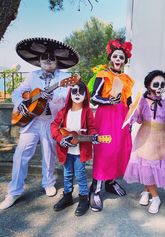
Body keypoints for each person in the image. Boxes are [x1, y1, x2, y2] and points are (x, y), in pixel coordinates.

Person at [0, 37, 80, 210]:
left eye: (52, 57)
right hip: (32, 120)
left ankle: (48, 182)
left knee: (49, 153)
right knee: (20, 155)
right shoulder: (32, 75)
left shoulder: (65, 77)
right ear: (39, 60)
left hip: (51, 121)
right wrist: (20, 103)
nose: (48, 60)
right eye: (45, 57)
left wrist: (54, 97)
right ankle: (13, 192)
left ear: (57, 61)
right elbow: (17, 92)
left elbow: (67, 98)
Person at [89, 38, 134, 211]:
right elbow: (94, 97)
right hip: (105, 117)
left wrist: (129, 120)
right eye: (115, 56)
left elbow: (128, 102)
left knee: (118, 150)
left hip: (121, 118)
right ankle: (96, 189)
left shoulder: (126, 79)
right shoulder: (103, 75)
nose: (118, 60)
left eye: (121, 57)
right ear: (110, 58)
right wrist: (108, 100)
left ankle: (111, 182)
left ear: (124, 61)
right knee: (104, 150)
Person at [124, 70, 165, 214]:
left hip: (159, 140)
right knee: (146, 166)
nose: (159, 87)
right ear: (148, 86)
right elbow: (138, 118)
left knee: (153, 168)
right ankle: (155, 196)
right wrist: (132, 117)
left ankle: (147, 192)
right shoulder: (142, 101)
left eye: (162, 84)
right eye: (156, 84)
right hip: (145, 138)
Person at [51, 78, 98, 216]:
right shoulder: (64, 111)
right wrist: (60, 139)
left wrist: (94, 136)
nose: (77, 94)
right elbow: (54, 126)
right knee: (67, 174)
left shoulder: (87, 111)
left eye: (81, 92)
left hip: (80, 150)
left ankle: (84, 199)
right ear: (70, 93)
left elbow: (92, 128)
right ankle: (67, 197)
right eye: (74, 91)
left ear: (85, 95)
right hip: (66, 149)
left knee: (81, 175)